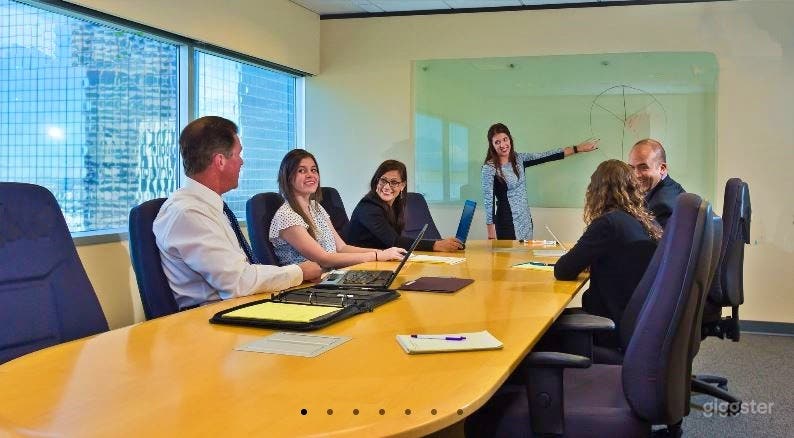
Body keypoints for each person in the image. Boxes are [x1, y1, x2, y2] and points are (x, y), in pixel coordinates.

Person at [153, 116, 322, 310]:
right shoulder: (188, 213)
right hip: (213, 318)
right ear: (220, 161)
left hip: (238, 306)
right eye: (238, 154)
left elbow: (241, 273)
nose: (241, 162)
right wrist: (299, 272)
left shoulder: (209, 207)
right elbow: (238, 281)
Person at [554, 159, 662, 347]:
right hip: (636, 323)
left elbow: (563, 270)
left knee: (543, 332)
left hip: (609, 325)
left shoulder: (608, 223)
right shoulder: (644, 222)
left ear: (597, 191)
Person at [269, 149, 406, 269]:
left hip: (331, 277)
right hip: (307, 286)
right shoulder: (286, 216)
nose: (310, 175)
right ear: (287, 177)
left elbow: (341, 248)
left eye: (313, 170)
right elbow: (325, 259)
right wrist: (376, 256)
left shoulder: (316, 207)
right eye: (301, 170)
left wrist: (384, 254)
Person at [481, 123, 599, 240]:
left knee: (526, 257)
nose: (502, 145)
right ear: (492, 145)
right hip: (507, 224)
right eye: (497, 142)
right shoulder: (489, 168)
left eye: (505, 139)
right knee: (510, 258)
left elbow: (547, 155)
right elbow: (488, 202)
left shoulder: (519, 159)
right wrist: (491, 234)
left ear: (510, 139)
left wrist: (578, 148)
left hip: (525, 220)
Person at [345, 160, 464, 252]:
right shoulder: (368, 207)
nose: (386, 187)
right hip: (358, 265)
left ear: (402, 186)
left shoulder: (396, 203)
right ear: (377, 181)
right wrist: (436, 245)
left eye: (394, 182)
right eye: (383, 180)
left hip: (378, 260)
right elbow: (394, 241)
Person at [627, 138, 685, 229]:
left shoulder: (661, 205)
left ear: (662, 168)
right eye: (632, 168)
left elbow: (655, 242)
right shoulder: (672, 187)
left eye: (643, 167)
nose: (636, 175)